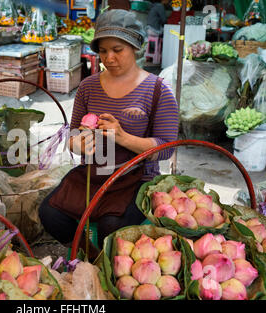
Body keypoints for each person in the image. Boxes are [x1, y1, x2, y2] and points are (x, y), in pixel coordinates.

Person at [38, 9, 179, 258]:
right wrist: (78, 145)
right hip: (94, 174)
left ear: (135, 47)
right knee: (50, 213)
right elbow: (72, 134)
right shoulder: (88, 87)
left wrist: (123, 137)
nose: (109, 58)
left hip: (138, 178)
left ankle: (109, 263)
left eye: (117, 49)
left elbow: (166, 148)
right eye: (103, 51)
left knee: (111, 225)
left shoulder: (158, 90)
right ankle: (91, 257)